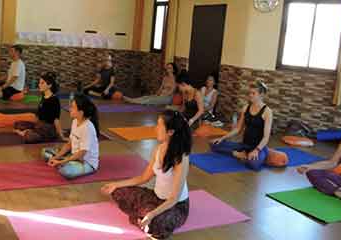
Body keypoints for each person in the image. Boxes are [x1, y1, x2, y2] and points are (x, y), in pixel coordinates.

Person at [101, 110, 191, 239]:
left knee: (155, 222)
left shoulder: (181, 158)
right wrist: (116, 184)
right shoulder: (158, 149)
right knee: (118, 191)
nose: (156, 128)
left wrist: (152, 214)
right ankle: (143, 218)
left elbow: (174, 199)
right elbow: (144, 178)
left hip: (175, 206)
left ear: (170, 132)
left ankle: (144, 218)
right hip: (156, 198)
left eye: (159, 126)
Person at [210, 82, 273, 170]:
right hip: (244, 145)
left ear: (261, 95)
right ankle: (238, 154)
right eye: (249, 93)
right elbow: (238, 129)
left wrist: (256, 150)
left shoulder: (267, 112)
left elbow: (266, 137)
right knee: (214, 145)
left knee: (254, 165)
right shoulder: (246, 108)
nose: (250, 95)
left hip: (259, 147)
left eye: (253, 93)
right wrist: (222, 138)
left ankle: (244, 155)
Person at [42, 94, 100, 179]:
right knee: (45, 152)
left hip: (86, 162)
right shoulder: (75, 121)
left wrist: (61, 161)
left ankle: (66, 163)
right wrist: (56, 157)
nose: (70, 109)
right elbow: (69, 144)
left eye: (72, 107)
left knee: (66, 171)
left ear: (81, 112)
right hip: (73, 155)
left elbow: (81, 154)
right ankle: (65, 162)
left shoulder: (88, 127)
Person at [13, 72, 65, 143]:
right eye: (39, 83)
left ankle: (26, 133)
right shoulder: (43, 97)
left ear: (49, 85)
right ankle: (28, 131)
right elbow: (38, 115)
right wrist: (33, 125)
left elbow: (56, 120)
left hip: (47, 129)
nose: (39, 85)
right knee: (18, 124)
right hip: (39, 125)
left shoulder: (54, 100)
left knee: (30, 137)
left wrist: (61, 136)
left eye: (42, 83)